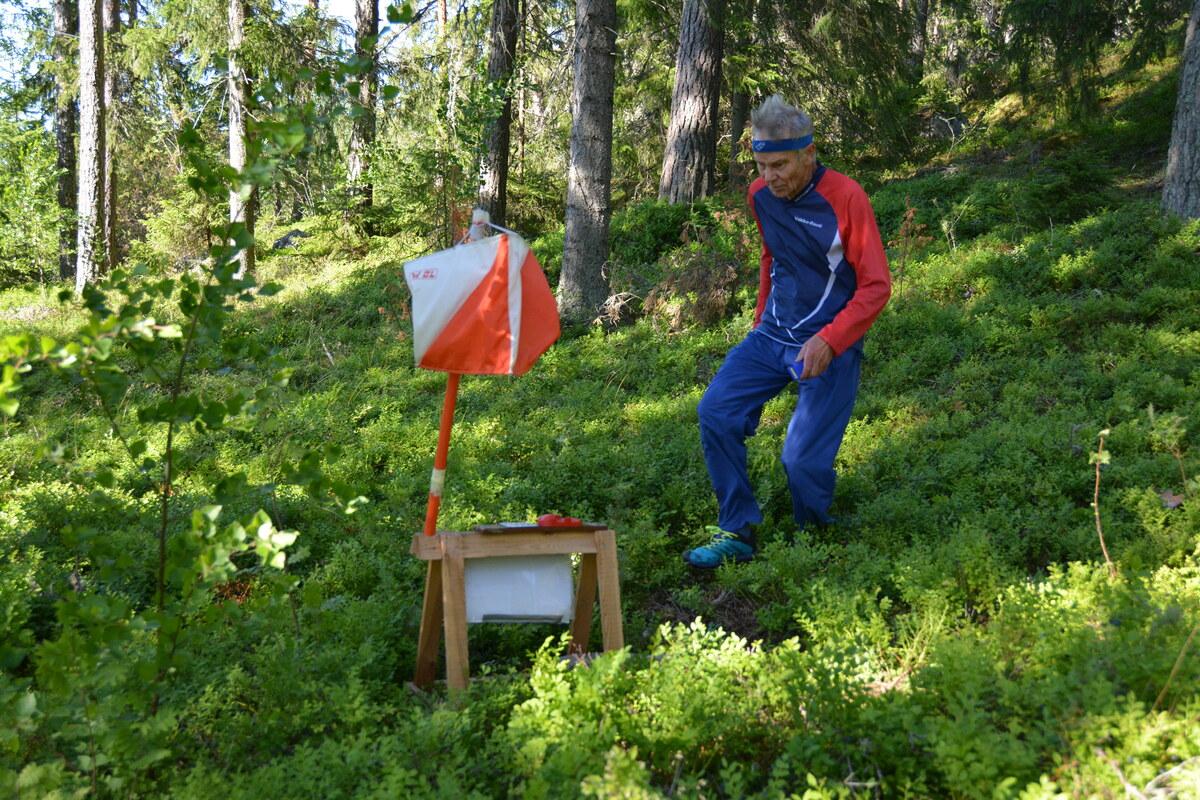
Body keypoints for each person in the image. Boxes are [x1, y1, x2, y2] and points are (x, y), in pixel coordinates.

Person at [682, 95, 892, 569]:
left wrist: (831, 340)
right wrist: (760, 320)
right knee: (716, 411)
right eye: (761, 166)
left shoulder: (846, 197)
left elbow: (877, 286)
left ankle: (814, 542)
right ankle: (737, 530)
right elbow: (771, 256)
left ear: (808, 154)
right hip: (771, 337)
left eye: (779, 165)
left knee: (800, 462)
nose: (770, 176)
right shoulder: (760, 196)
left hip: (828, 343)